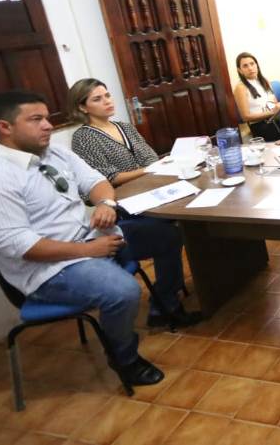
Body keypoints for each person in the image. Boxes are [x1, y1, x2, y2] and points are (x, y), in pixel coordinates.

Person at [0, 90, 166, 386]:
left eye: (47, 117)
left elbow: (96, 181)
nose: (48, 125)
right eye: (36, 119)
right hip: (50, 269)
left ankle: (165, 309)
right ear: (4, 127)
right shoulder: (0, 177)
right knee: (122, 291)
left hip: (91, 240)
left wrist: (106, 204)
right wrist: (88, 250)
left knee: (164, 235)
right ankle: (124, 358)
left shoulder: (55, 153)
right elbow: (20, 245)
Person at [68, 78, 202, 328]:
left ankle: (188, 285)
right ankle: (164, 304)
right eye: (97, 99)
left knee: (194, 211)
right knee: (170, 233)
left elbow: (150, 158)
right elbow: (107, 177)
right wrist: (146, 170)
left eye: (107, 95)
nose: (107, 101)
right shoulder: (83, 138)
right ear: (82, 107)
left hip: (151, 193)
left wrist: (151, 167)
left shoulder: (124, 127)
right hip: (123, 209)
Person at [232, 52, 280, 142]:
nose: (250, 68)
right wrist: (272, 112)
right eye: (245, 66)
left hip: (275, 120)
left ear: (257, 65)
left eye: (252, 64)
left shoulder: (265, 81)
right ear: (240, 70)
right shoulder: (240, 87)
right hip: (260, 126)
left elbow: (274, 104)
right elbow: (245, 117)